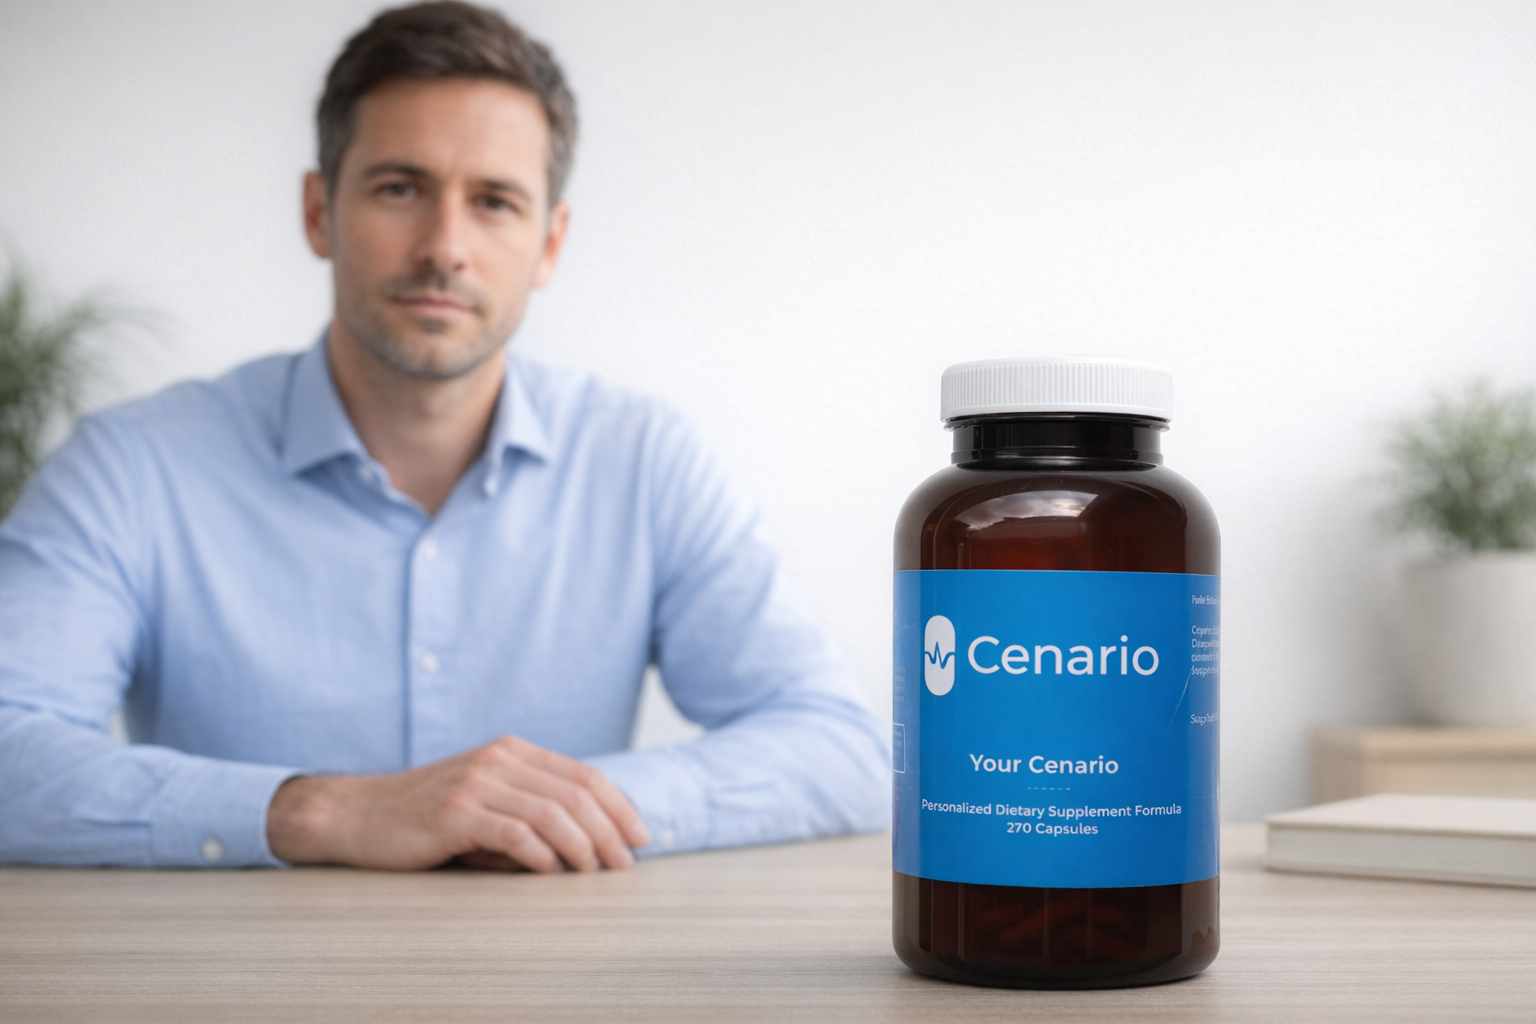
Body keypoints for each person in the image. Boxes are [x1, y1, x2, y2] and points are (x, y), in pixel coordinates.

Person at [0, 1, 887, 872]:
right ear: (318, 211)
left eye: (495, 201)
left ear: (549, 243)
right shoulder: (131, 466)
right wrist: (321, 810)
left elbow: (838, 749)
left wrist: (546, 811)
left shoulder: (645, 461)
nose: (445, 246)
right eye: (399, 188)